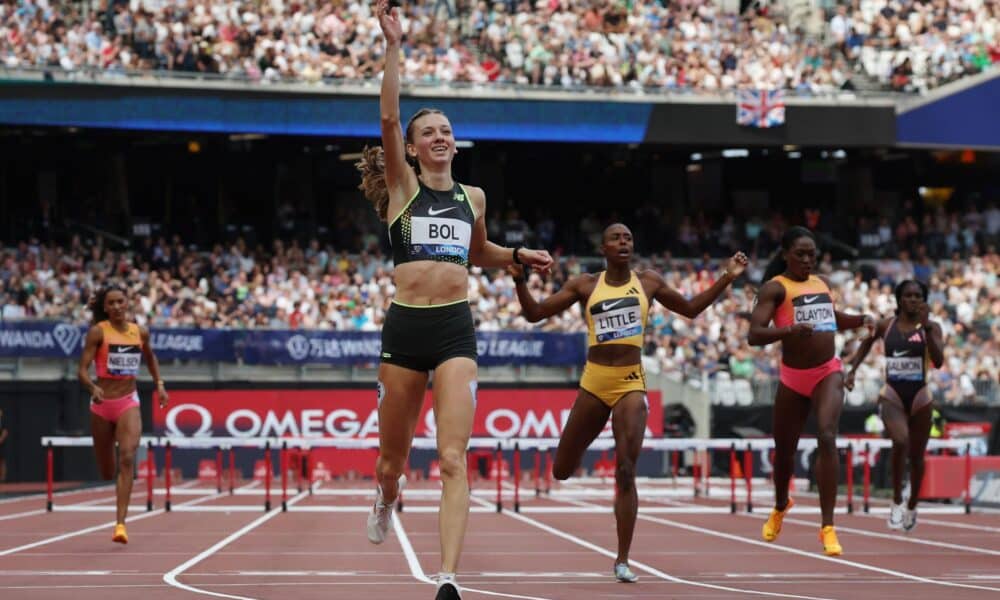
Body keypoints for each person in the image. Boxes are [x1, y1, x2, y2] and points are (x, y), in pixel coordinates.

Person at [357, 2, 553, 597]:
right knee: (392, 461)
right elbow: (389, 117)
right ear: (413, 149)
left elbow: (479, 252)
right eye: (429, 133)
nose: (439, 138)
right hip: (404, 332)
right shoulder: (402, 187)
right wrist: (394, 47)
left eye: (445, 131)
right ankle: (386, 496)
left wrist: (516, 257)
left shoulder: (474, 196)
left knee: (450, 458)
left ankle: (447, 578)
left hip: (454, 331)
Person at [509, 223, 747, 582]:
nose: (624, 242)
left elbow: (691, 309)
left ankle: (622, 559)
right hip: (594, 382)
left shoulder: (648, 282)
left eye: (629, 238)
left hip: (630, 382)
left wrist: (727, 277)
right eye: (616, 238)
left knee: (626, 468)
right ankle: (589, 479)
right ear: (603, 248)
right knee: (561, 469)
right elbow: (535, 314)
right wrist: (518, 281)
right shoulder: (585, 285)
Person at [748, 226, 874, 556]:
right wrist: (789, 329)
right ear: (786, 254)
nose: (807, 260)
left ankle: (828, 527)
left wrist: (862, 319)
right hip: (792, 378)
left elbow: (833, 319)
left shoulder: (821, 284)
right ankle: (779, 506)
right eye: (801, 254)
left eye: (812, 255)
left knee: (827, 436)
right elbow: (754, 334)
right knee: (784, 453)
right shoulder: (775, 288)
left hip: (827, 372)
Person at [846, 279, 943, 531]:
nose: (913, 299)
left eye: (918, 296)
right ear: (899, 299)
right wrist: (853, 369)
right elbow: (866, 342)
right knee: (900, 441)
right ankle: (897, 500)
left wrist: (928, 328)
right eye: (909, 295)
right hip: (893, 394)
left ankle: (912, 504)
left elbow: (939, 361)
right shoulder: (885, 326)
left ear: (923, 300)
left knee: (917, 456)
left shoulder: (931, 328)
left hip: (921, 395)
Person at [77, 286, 168, 544]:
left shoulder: (139, 332)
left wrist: (159, 384)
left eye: (120, 301)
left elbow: (150, 359)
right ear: (105, 307)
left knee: (127, 457)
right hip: (102, 404)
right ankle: (115, 496)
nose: (117, 306)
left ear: (127, 304)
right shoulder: (98, 332)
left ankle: (120, 525)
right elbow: (82, 370)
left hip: (128, 402)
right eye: (112, 303)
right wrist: (92, 386)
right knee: (107, 471)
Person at [0, 408, 8, 482]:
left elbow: (5, 431)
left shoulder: (3, 421)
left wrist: (1, 440)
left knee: (2, 461)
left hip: (1, 445)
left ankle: (2, 479)